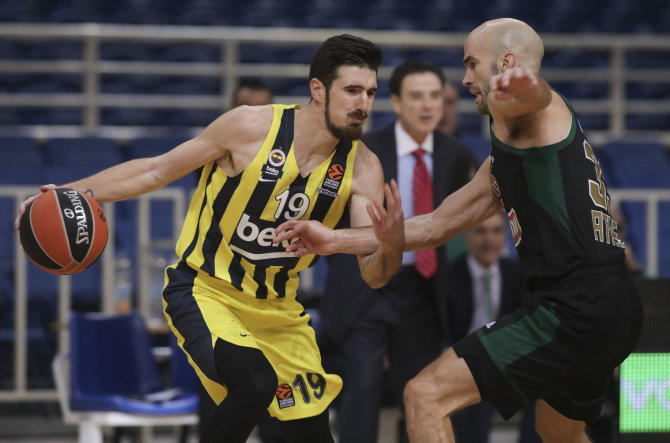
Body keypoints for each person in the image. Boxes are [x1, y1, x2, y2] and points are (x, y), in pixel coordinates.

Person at [15, 34, 406, 443]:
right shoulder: (250, 127)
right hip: (206, 291)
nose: (363, 104)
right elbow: (155, 170)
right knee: (254, 383)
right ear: (318, 90)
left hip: (279, 312)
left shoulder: (363, 168)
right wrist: (67, 193)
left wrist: (391, 246)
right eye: (353, 91)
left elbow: (374, 274)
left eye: (371, 92)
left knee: (312, 435)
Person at [273, 18, 643, 443]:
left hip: (575, 307)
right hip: (611, 306)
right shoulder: (511, 154)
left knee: (423, 395)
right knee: (556, 431)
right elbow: (433, 226)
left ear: (505, 63)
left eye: (471, 64)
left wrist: (523, 85)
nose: (464, 80)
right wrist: (333, 239)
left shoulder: (529, 107)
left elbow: (535, 96)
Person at [320, 59, 476, 443]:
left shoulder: (456, 153)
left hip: (422, 289)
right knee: (363, 384)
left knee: (419, 391)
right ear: (395, 102)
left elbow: (453, 231)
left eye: (435, 96)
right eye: (417, 97)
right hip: (368, 285)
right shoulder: (364, 148)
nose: (427, 106)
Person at [445, 211, 538, 443]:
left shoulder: (516, 272)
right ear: (466, 237)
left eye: (497, 231)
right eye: (481, 231)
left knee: (546, 383)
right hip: (464, 362)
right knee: (476, 390)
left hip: (506, 359)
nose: (490, 240)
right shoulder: (448, 277)